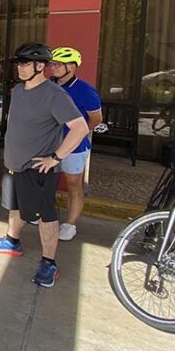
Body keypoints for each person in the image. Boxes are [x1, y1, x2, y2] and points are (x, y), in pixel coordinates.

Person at [0, 43, 88, 289]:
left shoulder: (54, 94)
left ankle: (49, 263)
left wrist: (56, 157)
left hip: (38, 169)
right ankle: (12, 241)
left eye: (25, 63)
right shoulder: (18, 90)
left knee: (46, 217)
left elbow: (80, 128)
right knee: (15, 207)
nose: (20, 67)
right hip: (15, 165)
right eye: (18, 63)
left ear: (40, 66)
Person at [49, 46, 103, 241]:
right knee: (46, 183)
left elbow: (95, 119)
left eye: (57, 64)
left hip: (74, 147)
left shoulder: (85, 91)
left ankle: (70, 224)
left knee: (73, 184)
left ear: (71, 67)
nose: (53, 68)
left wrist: (77, 135)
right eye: (52, 64)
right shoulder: (48, 85)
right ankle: (44, 216)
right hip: (49, 144)